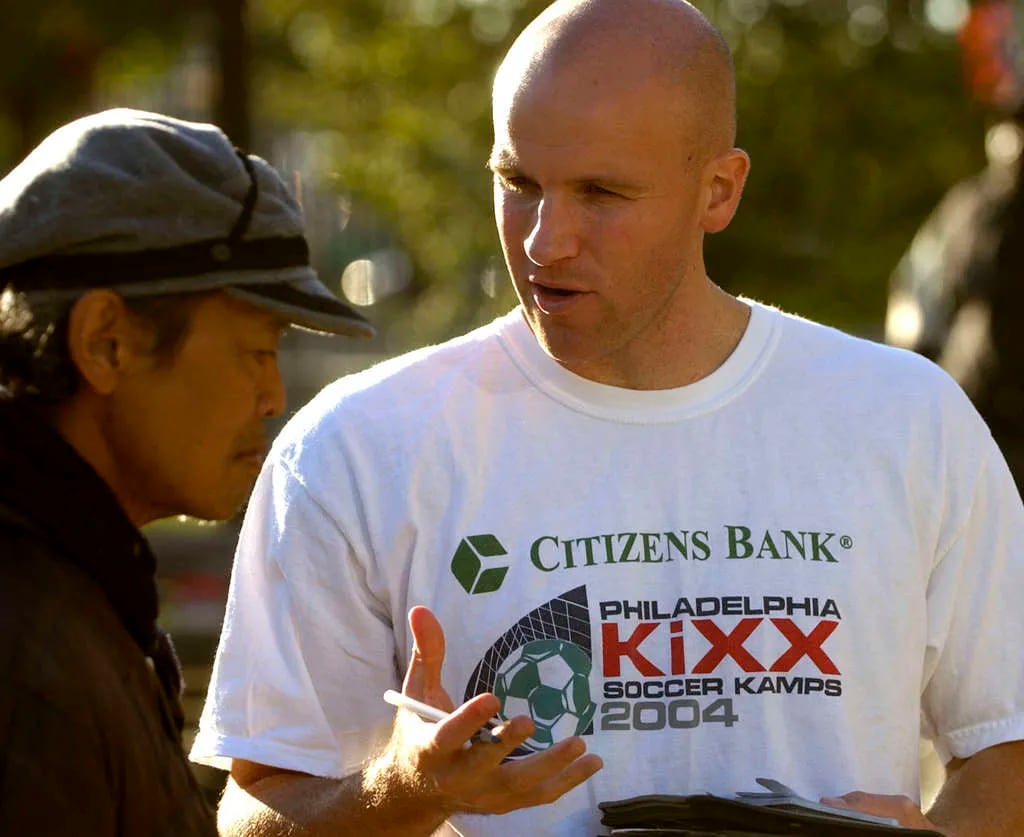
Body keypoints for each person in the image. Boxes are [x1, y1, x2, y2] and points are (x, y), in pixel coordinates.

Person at [191, 1, 1024, 835]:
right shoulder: (358, 447)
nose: (546, 241)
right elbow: (257, 811)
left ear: (719, 190)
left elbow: (1006, 748)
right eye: (517, 183)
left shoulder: (905, 420)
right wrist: (407, 787)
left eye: (602, 192)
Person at [0, 108, 373, 834]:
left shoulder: (71, 588)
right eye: (254, 351)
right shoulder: (24, 655)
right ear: (106, 343)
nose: (274, 396)